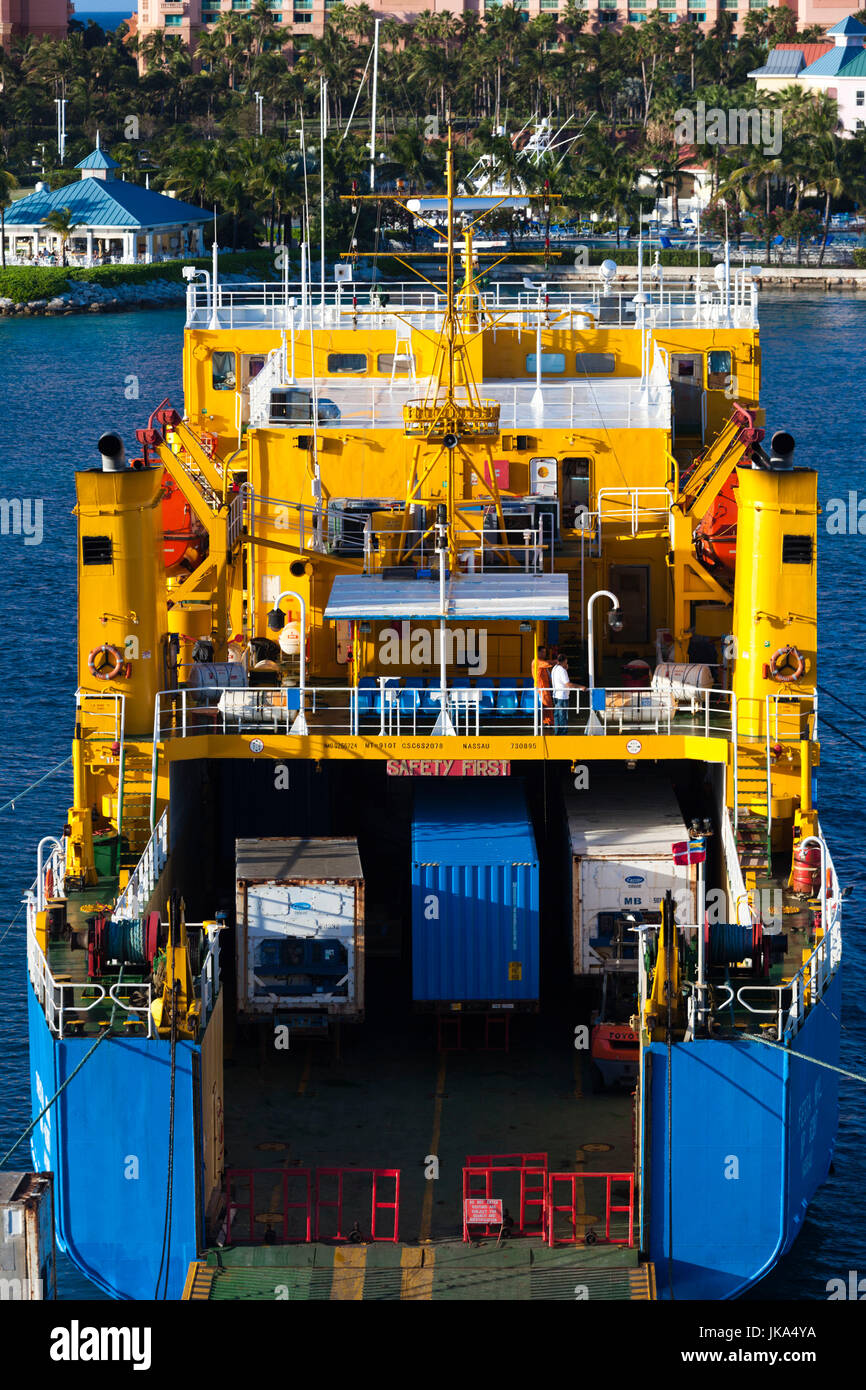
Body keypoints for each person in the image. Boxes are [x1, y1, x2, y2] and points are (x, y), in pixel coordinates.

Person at [551, 654, 583, 735]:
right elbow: (568, 684)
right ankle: (563, 734)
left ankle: (557, 733)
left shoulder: (554, 669)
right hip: (562, 696)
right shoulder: (562, 671)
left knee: (557, 716)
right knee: (563, 716)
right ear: (565, 661)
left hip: (555, 695)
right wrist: (580, 687)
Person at [531, 644, 553, 729]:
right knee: (546, 705)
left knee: (548, 705)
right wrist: (558, 661)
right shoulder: (537, 661)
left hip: (545, 687)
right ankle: (547, 722)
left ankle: (548, 722)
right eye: (542, 652)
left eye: (545, 652)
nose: (544, 654)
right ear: (538, 652)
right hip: (542, 687)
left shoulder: (540, 662)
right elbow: (548, 663)